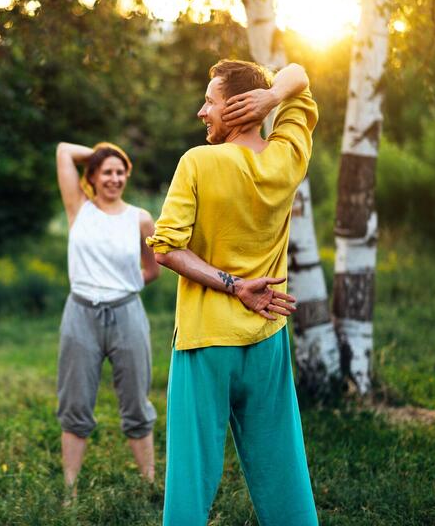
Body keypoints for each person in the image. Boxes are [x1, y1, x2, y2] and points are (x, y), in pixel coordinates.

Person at [147, 61, 319, 525]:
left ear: (238, 107)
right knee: (284, 471)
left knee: (190, 475)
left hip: (206, 339)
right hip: (268, 334)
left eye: (211, 101)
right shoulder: (287, 159)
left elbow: (165, 248)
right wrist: (272, 97)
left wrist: (235, 285)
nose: (203, 111)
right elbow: (299, 75)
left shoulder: (198, 162)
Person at [55, 141, 160, 498]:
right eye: (107, 172)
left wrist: (122, 286)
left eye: (120, 172)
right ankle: (70, 488)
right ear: (93, 177)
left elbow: (153, 269)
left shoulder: (140, 219)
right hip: (80, 312)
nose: (114, 178)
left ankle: (149, 484)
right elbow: (63, 152)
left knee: (135, 399)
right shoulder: (78, 208)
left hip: (126, 312)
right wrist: (101, 153)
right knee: (75, 400)